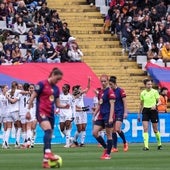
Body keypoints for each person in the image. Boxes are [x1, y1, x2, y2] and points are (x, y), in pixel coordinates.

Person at [26, 67, 69, 168]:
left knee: (49, 136)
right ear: (53, 75)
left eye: (59, 80)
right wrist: (28, 110)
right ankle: (48, 153)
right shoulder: (41, 84)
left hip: (50, 114)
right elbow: (33, 96)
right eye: (57, 79)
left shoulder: (56, 89)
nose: (58, 81)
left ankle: (45, 161)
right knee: (48, 130)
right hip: (41, 112)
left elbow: (57, 104)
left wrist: (64, 106)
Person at [92, 75, 115, 160]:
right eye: (102, 81)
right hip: (101, 116)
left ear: (108, 81)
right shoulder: (101, 92)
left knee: (109, 135)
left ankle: (108, 154)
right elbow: (99, 104)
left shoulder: (110, 92)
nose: (103, 83)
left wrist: (110, 117)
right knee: (94, 132)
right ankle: (106, 147)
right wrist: (95, 114)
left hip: (108, 115)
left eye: (105, 81)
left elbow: (112, 105)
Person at [138, 78, 162, 151]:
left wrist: (156, 105)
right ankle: (146, 146)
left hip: (153, 111)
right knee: (145, 129)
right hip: (145, 111)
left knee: (155, 129)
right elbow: (141, 104)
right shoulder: (142, 93)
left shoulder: (155, 92)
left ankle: (159, 144)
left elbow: (159, 101)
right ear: (145, 85)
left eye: (151, 84)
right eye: (148, 84)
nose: (150, 85)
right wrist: (139, 114)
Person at [109, 76, 128, 152]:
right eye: (109, 84)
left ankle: (125, 142)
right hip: (112, 113)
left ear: (114, 83)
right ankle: (115, 147)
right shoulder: (110, 91)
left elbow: (124, 102)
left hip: (120, 112)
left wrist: (125, 112)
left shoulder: (120, 91)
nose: (110, 86)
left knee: (117, 129)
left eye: (111, 84)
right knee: (113, 130)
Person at [72, 77, 91, 147]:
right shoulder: (74, 97)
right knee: (79, 129)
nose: (82, 90)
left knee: (84, 127)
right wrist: (82, 109)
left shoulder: (81, 95)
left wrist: (89, 81)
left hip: (83, 112)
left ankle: (82, 143)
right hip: (77, 113)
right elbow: (75, 108)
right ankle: (74, 140)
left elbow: (88, 88)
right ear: (76, 90)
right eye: (80, 89)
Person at [59, 84, 73, 148]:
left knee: (67, 127)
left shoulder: (70, 97)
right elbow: (58, 104)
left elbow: (73, 106)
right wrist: (57, 110)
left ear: (67, 89)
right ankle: (70, 139)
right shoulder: (60, 96)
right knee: (62, 129)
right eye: (62, 87)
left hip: (68, 113)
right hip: (62, 113)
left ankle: (67, 144)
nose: (63, 89)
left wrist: (73, 115)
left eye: (64, 88)